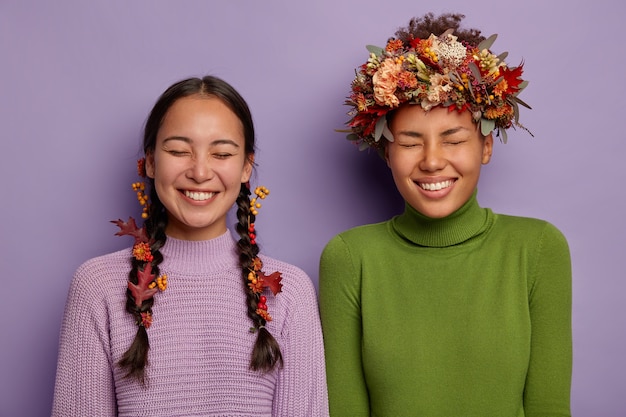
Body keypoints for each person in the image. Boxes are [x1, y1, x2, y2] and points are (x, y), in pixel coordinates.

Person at [319, 12, 572, 417]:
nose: (433, 161)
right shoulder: (350, 258)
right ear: (387, 151)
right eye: (410, 142)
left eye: (453, 139)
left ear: (486, 146)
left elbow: (549, 407)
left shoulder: (538, 249)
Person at [52, 75, 329, 416]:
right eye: (179, 151)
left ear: (246, 167)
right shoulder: (98, 286)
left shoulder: (290, 292)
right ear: (150, 162)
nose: (200, 172)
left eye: (222, 153)